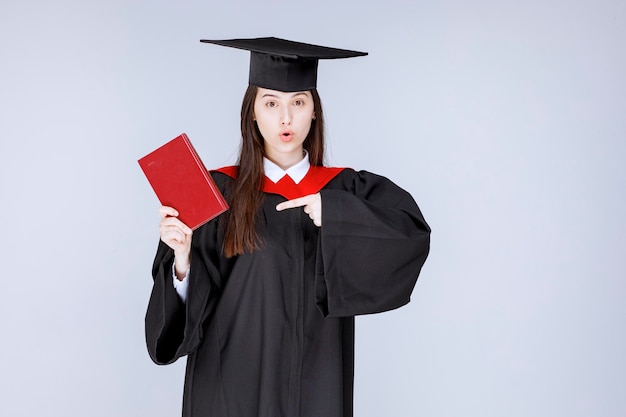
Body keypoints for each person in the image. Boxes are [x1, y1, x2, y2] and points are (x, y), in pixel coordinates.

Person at [145, 37, 431, 417]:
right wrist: (182, 261)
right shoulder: (216, 192)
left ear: (314, 112)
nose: (285, 118)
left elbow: (409, 233)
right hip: (231, 385)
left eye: (298, 102)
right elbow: (182, 320)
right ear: (252, 113)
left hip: (316, 379)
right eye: (271, 104)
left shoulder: (344, 189)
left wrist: (337, 214)